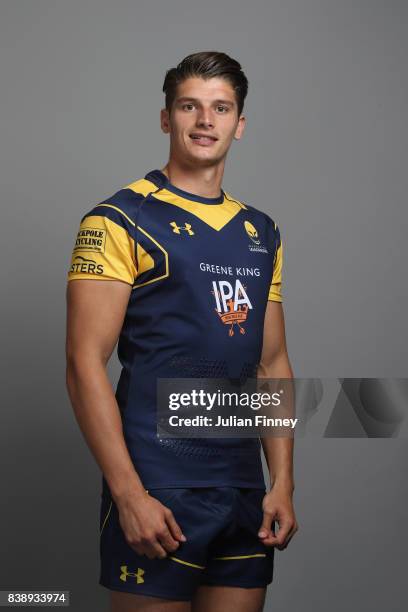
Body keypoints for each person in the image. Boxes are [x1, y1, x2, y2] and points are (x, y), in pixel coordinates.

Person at [66, 50, 298, 612]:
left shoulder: (260, 231)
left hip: (243, 489)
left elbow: (272, 363)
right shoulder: (118, 219)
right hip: (158, 487)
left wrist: (282, 481)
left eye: (221, 108)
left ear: (239, 124)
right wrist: (128, 493)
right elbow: (82, 364)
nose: (205, 121)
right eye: (190, 106)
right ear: (167, 117)